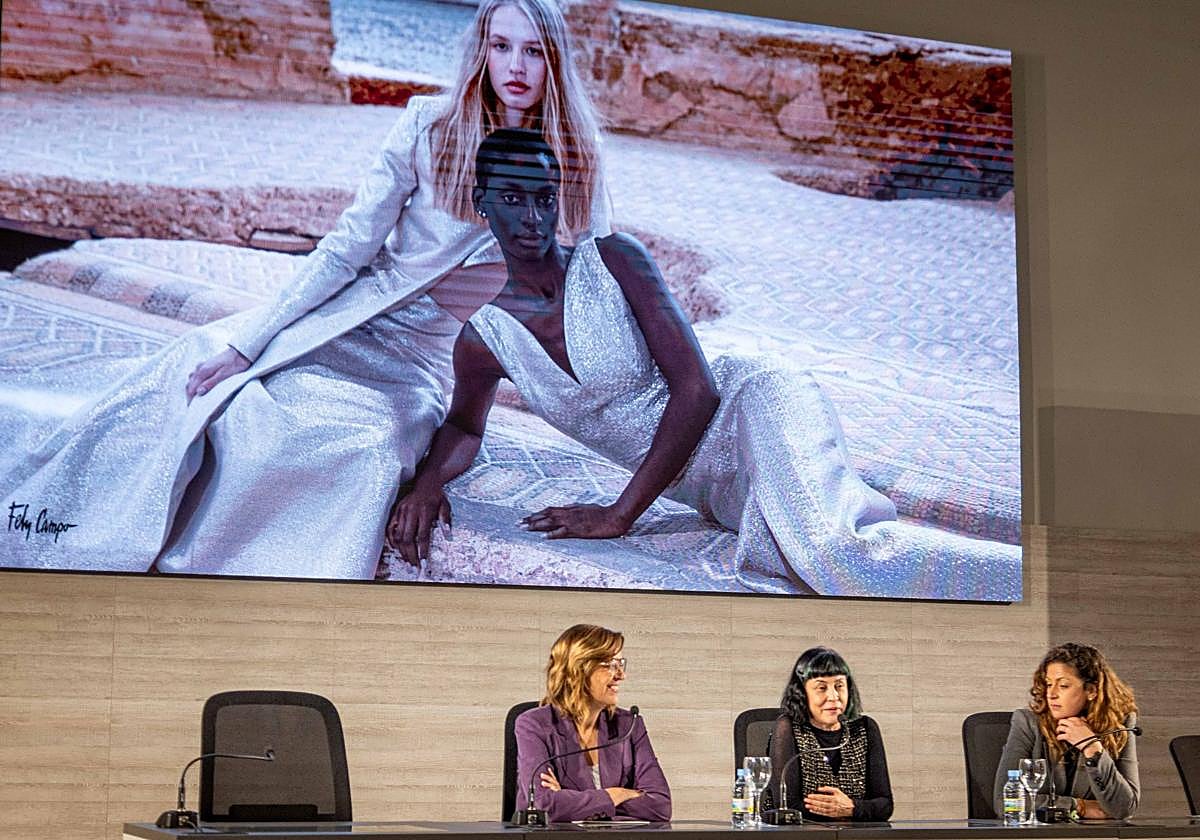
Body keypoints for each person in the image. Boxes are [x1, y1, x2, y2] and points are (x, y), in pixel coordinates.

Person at [1, 0, 606, 576]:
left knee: (356, 452)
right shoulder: (429, 125)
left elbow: (590, 291)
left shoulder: (577, 160)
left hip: (424, 362)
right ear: (482, 51)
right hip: (347, 320)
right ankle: (103, 538)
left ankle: (242, 586)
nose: (517, 67)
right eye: (502, 46)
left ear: (554, 61)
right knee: (211, 385)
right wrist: (252, 339)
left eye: (534, 51)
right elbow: (346, 248)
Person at [386, 129, 1021, 601]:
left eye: (545, 198)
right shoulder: (485, 337)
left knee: (835, 554)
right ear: (481, 202)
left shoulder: (614, 259)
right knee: (791, 553)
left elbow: (698, 391)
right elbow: (466, 427)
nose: (532, 217)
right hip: (710, 489)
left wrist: (618, 515)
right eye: (514, 198)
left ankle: (1034, 586)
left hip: (753, 405)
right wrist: (428, 484)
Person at [513, 623, 671, 822]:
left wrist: (569, 799)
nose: (622, 675)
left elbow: (660, 806)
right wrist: (617, 794)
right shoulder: (534, 724)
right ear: (579, 669)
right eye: (611, 665)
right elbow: (545, 805)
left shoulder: (629, 725)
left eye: (621, 664)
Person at [993, 642, 1139, 820]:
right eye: (1048, 684)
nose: (1051, 694)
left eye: (1063, 686)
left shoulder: (1119, 726)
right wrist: (1079, 806)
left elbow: (1125, 808)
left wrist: (1092, 747)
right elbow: (1005, 802)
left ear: (1091, 690)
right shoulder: (1028, 723)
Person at [764, 646, 892, 821]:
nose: (833, 696)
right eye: (822, 688)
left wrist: (852, 808)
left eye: (839, 686)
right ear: (802, 693)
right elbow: (786, 805)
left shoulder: (865, 728)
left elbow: (885, 805)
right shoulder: (788, 728)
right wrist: (834, 811)